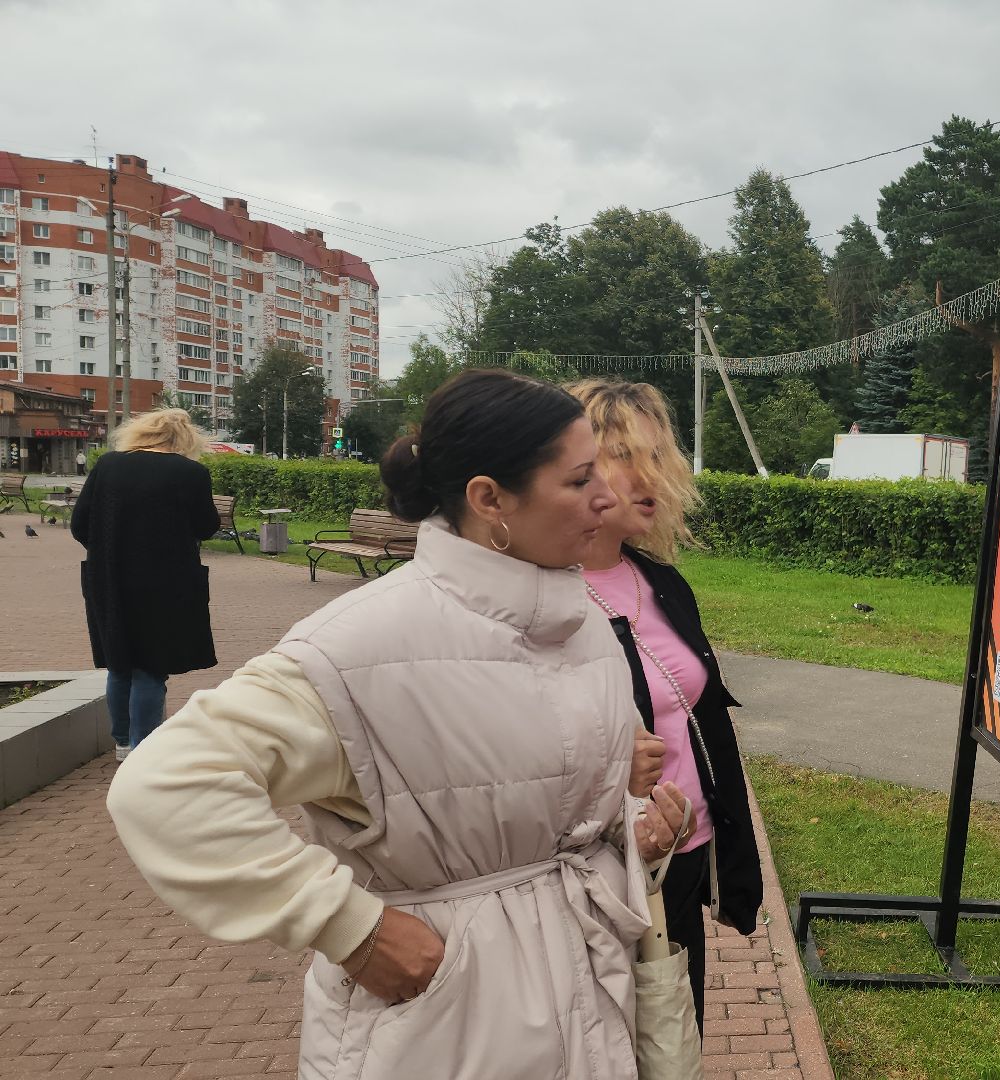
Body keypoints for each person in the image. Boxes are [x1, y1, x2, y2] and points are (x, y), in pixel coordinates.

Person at [107, 370, 692, 1078]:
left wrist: (638, 830)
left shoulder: (583, 625)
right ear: (489, 499)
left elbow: (559, 811)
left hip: (592, 1002)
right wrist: (354, 930)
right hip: (441, 1027)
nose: (607, 496)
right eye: (578, 481)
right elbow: (164, 786)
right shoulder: (359, 646)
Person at [569, 379, 762, 1031]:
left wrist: (735, 866)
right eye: (622, 453)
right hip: (593, 877)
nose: (649, 474)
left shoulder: (661, 583)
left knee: (676, 1040)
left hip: (679, 858)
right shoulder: (539, 598)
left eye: (658, 453)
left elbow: (707, 724)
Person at [72, 408, 220, 758]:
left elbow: (81, 525)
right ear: (185, 438)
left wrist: (111, 549)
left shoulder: (107, 465)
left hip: (108, 578)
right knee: (152, 666)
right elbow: (206, 526)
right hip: (165, 583)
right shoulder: (190, 472)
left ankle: (122, 741)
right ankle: (146, 747)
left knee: (120, 662)